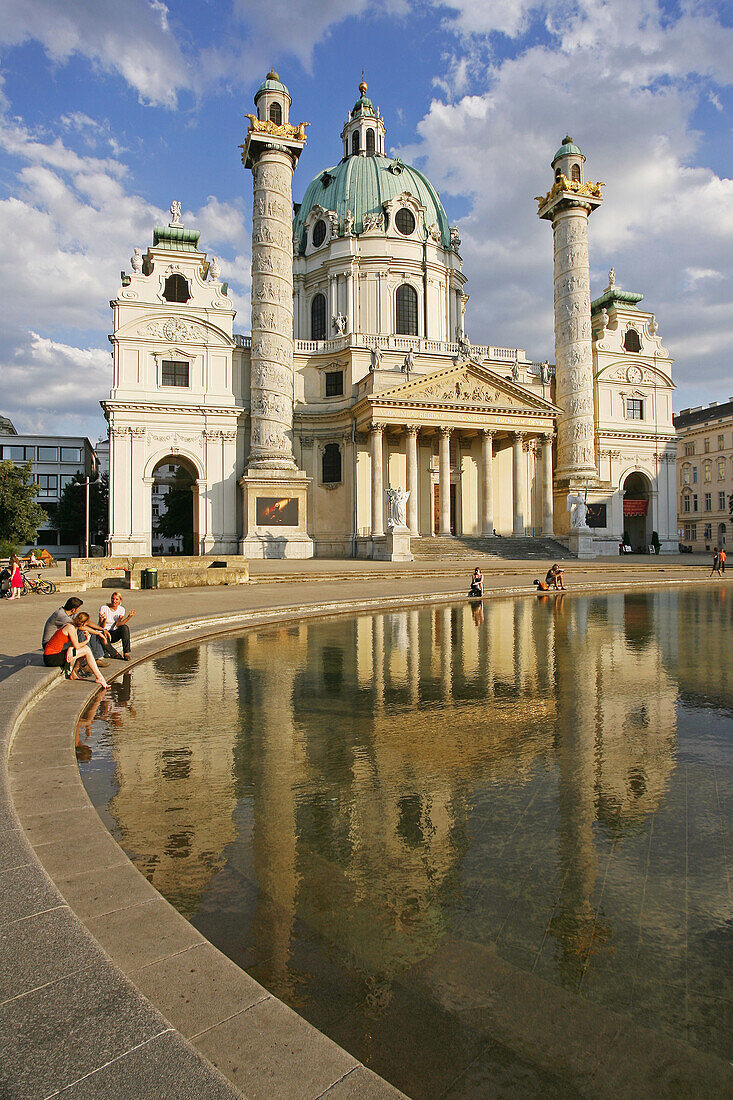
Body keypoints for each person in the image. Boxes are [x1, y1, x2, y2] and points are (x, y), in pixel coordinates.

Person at [43, 618, 108, 688]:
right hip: (51, 658)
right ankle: (100, 678)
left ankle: (74, 673)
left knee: (85, 649)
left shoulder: (71, 626)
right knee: (86, 650)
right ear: (83, 624)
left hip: (52, 655)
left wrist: (70, 648)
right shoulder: (70, 628)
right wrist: (87, 640)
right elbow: (77, 646)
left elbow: (74, 644)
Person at [99, 592, 135, 660]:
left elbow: (118, 624)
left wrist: (128, 617)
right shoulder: (104, 608)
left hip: (113, 632)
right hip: (104, 631)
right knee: (102, 637)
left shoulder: (121, 609)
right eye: (113, 599)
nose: (114, 601)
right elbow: (101, 626)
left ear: (120, 601)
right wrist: (105, 619)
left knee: (125, 628)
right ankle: (115, 654)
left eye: (116, 599)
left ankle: (126, 653)